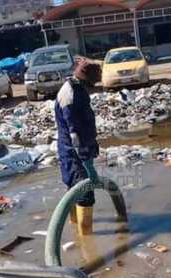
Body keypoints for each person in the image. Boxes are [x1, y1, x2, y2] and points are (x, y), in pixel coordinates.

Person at [54, 59, 102, 235]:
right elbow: (73, 130)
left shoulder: (78, 89)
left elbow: (85, 120)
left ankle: (76, 227)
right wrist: (85, 159)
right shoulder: (69, 94)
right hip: (72, 150)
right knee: (84, 192)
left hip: (81, 147)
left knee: (73, 188)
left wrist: (92, 144)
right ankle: (85, 237)